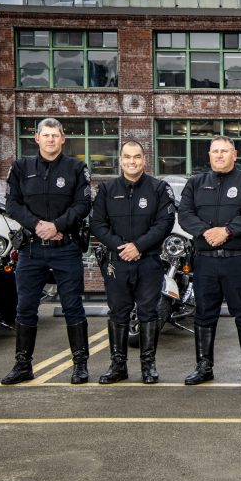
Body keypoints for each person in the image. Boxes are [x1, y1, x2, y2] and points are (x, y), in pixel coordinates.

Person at [1, 117, 92, 385]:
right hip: (31, 248)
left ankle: (80, 365)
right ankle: (22, 365)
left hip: (66, 247)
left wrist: (57, 225)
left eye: (55, 135)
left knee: (73, 306)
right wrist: (38, 225)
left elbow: (83, 204)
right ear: (37, 138)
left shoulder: (77, 168)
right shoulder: (21, 167)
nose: (51, 139)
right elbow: (12, 204)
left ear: (63, 139)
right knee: (26, 307)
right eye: (46, 135)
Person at [178, 136, 241, 386]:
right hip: (205, 261)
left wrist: (226, 231)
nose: (219, 155)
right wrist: (207, 232)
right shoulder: (195, 183)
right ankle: (204, 366)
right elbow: (185, 213)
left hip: (238, 261)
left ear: (235, 154)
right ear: (209, 155)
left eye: (224, 151)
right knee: (204, 314)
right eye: (215, 151)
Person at [89, 140, 175, 384]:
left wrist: (139, 246)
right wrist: (122, 247)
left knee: (148, 312)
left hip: (148, 261)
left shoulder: (159, 189)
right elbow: (97, 224)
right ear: (120, 160)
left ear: (144, 159)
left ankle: (148, 366)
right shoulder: (106, 189)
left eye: (137, 157)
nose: (132, 161)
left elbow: (164, 223)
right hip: (117, 262)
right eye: (127, 157)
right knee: (118, 313)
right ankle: (118, 366)